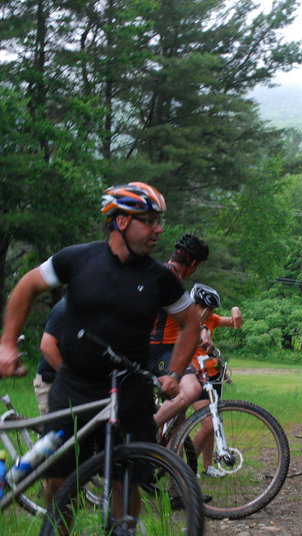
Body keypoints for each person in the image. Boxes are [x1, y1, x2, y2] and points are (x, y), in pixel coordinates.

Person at [0, 181, 200, 504]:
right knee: (58, 484)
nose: (158, 230)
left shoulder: (159, 278)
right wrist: (7, 344)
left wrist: (174, 373)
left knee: (126, 483)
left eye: (158, 221)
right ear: (121, 222)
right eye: (149, 221)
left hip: (130, 390)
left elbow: (191, 323)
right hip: (74, 387)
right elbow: (27, 285)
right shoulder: (78, 259)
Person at [181, 283, 242, 477]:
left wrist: (235, 310)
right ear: (196, 305)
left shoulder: (212, 320)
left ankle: (206, 467)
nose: (210, 313)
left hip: (210, 376)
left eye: (212, 310)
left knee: (214, 422)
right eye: (207, 309)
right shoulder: (183, 319)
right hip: (190, 375)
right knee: (207, 423)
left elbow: (236, 323)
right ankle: (186, 468)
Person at [150, 233, 209, 428]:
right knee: (191, 390)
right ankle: (150, 428)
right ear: (192, 262)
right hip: (157, 349)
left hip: (167, 349)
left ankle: (167, 455)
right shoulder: (167, 276)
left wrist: (202, 328)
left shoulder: (167, 275)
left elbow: (187, 316)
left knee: (179, 415)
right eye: (197, 265)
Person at [33, 297, 67, 415]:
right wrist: (69, 376)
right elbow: (47, 346)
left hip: (72, 384)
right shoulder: (63, 309)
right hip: (50, 382)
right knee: (52, 430)